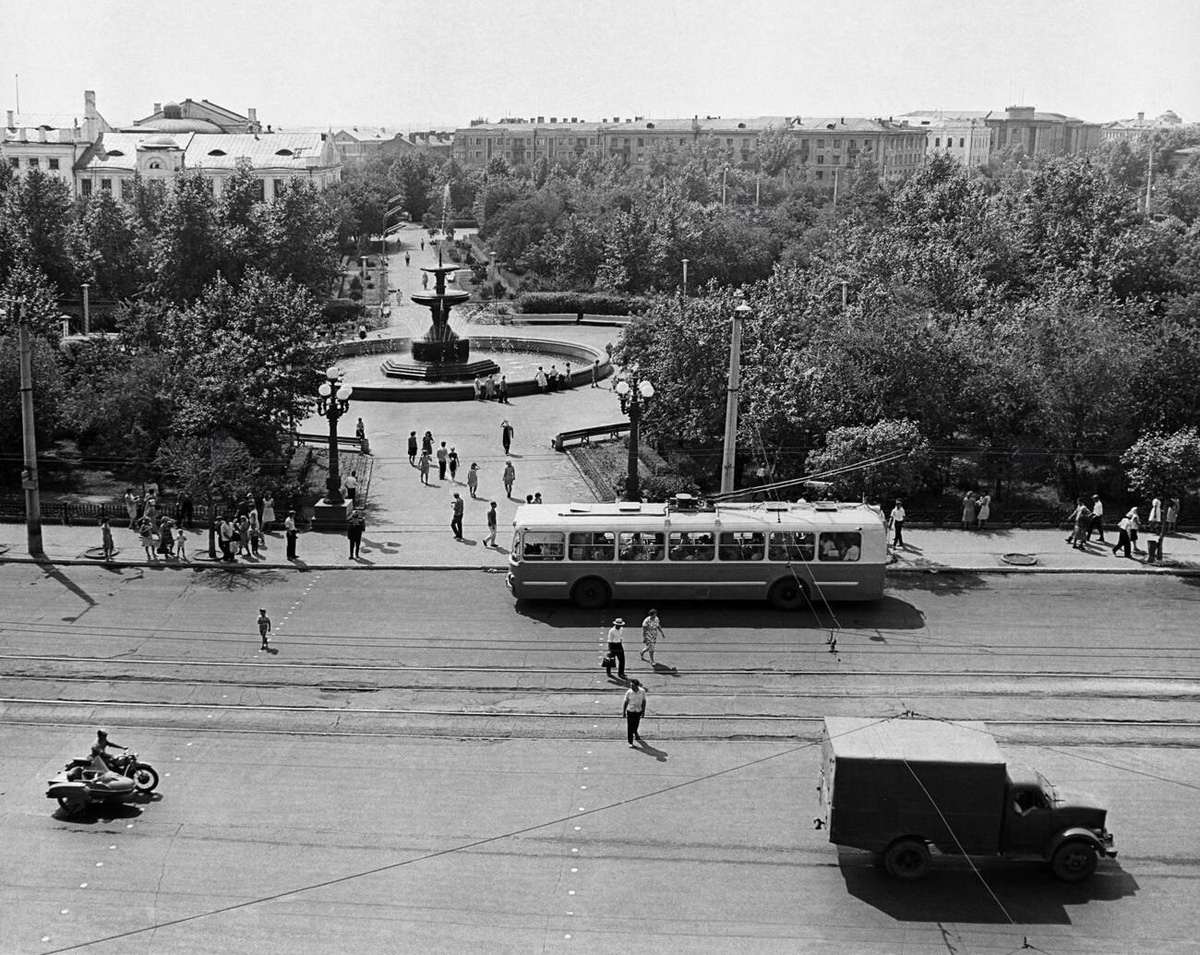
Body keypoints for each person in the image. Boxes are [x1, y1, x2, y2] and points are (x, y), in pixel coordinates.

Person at [622, 679, 647, 747]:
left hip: (638, 710)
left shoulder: (642, 691)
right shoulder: (629, 692)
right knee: (630, 726)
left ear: (637, 686)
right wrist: (624, 712)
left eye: (633, 685)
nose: (631, 687)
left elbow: (644, 701)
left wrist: (643, 711)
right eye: (631, 685)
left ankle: (635, 732)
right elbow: (626, 701)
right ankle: (630, 742)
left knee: (636, 723)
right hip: (630, 710)